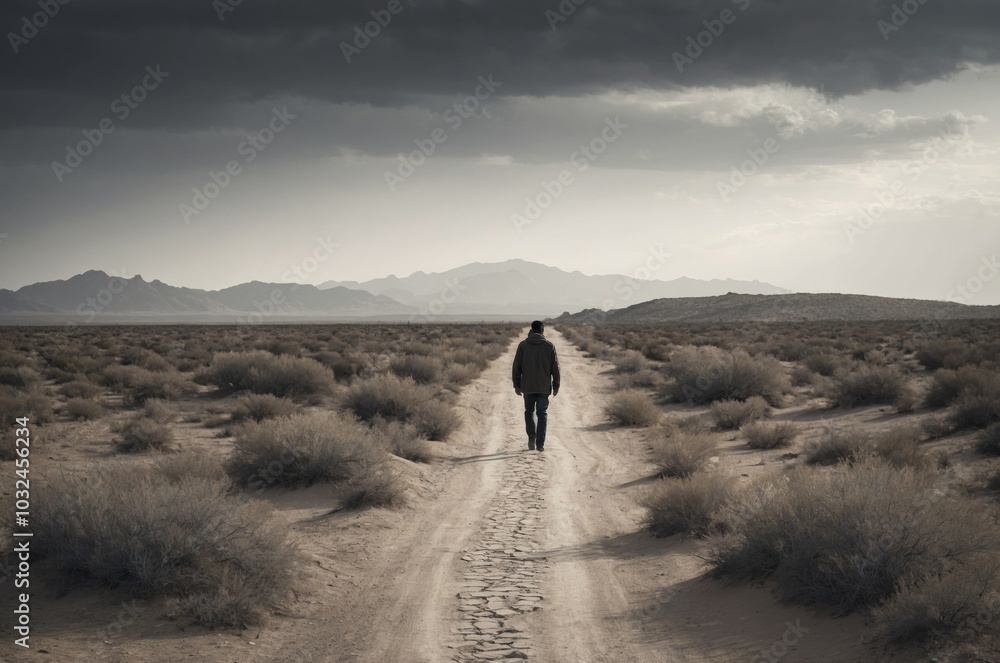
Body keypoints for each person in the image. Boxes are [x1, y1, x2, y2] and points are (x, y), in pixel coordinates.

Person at [512, 320, 560, 452]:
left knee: (529, 412)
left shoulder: (523, 345)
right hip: (544, 387)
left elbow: (516, 366)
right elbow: (555, 368)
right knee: (542, 413)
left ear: (532, 330)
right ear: (542, 330)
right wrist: (556, 385)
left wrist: (516, 384)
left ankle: (531, 438)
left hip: (528, 386)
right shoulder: (549, 346)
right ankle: (540, 444)